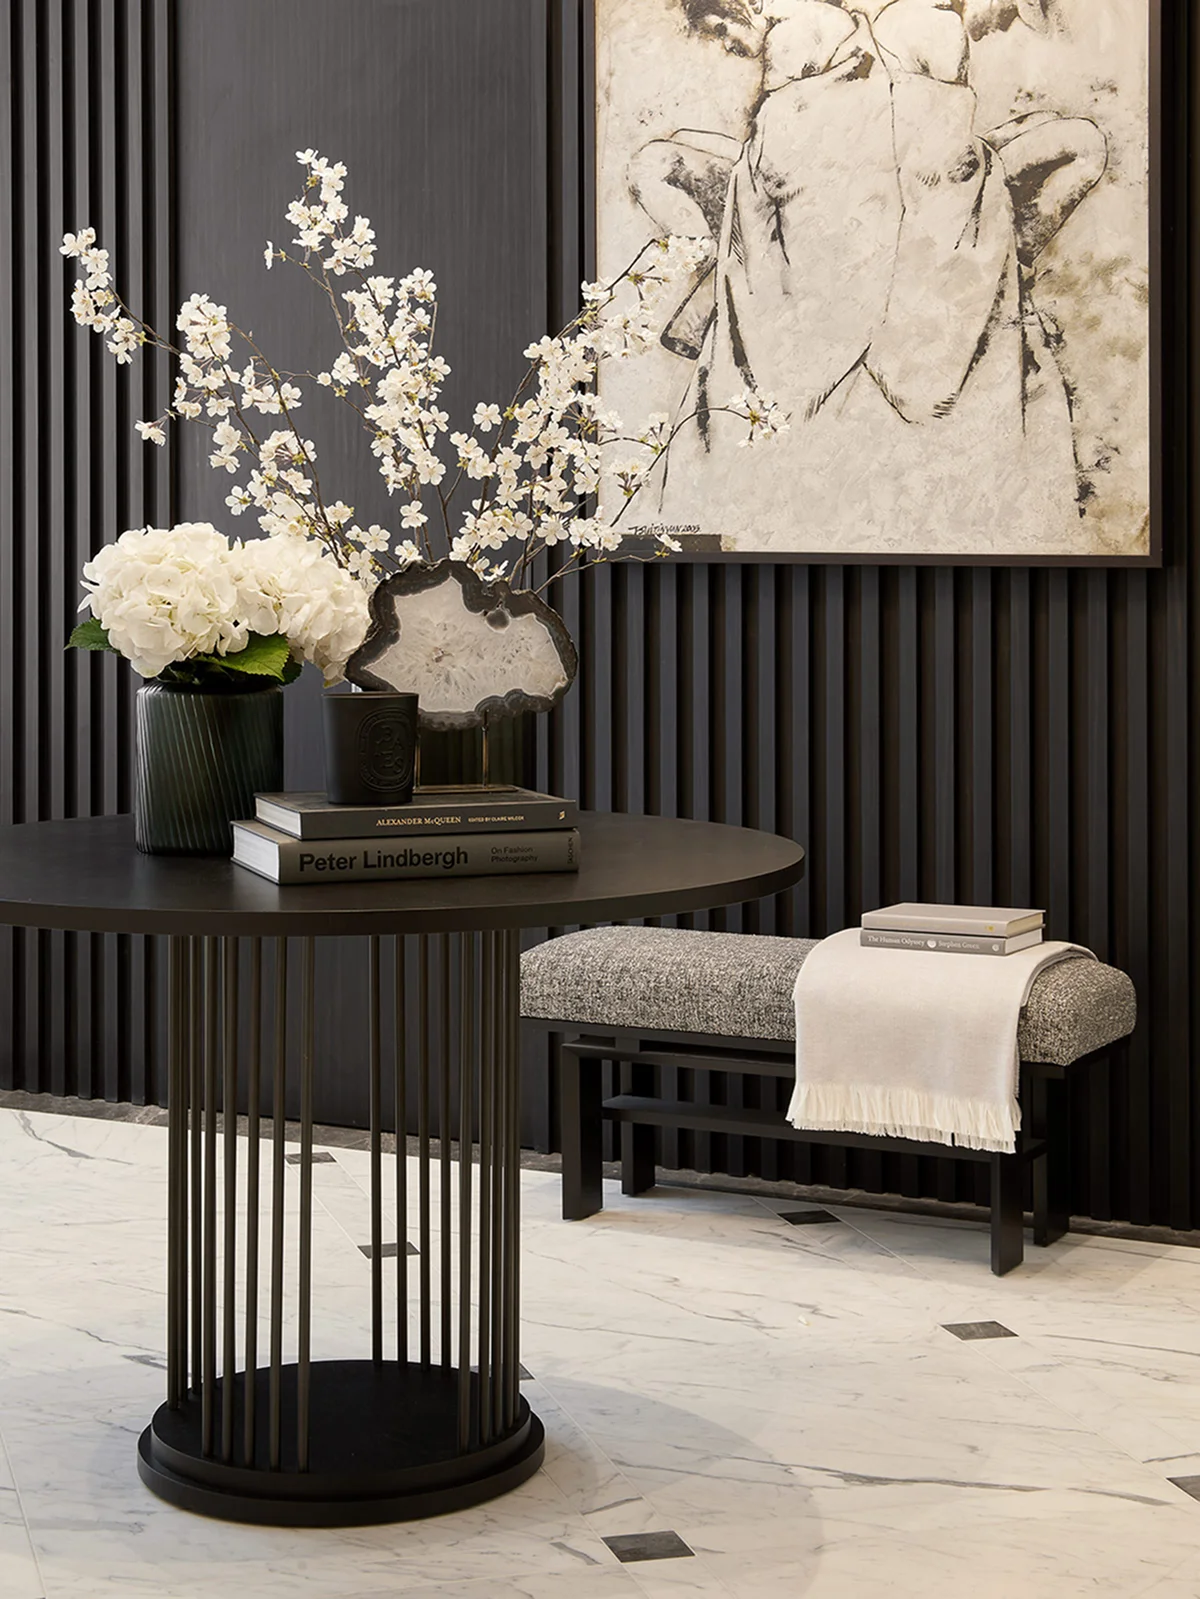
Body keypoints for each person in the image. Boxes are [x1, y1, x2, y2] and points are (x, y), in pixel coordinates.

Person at [631, 0, 1108, 554]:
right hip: (851, 177)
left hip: (890, 180)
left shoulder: (848, 44)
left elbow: (661, 168)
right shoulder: (872, 44)